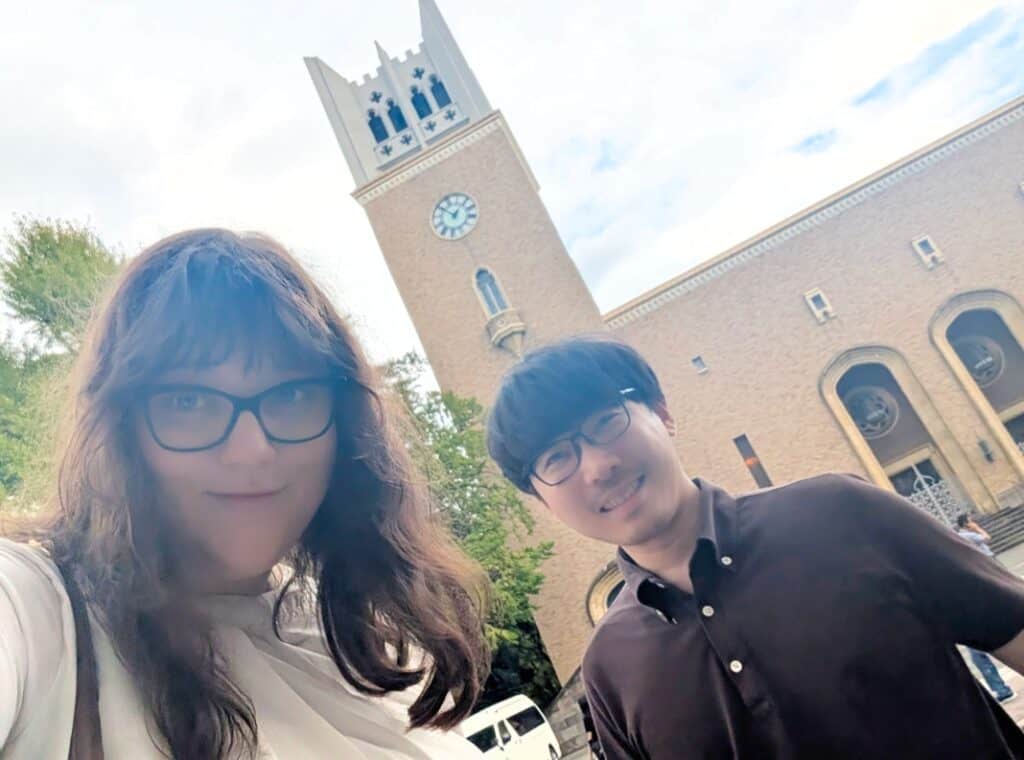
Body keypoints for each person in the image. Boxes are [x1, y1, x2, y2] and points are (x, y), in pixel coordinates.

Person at [0, 230, 488, 759]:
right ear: (121, 429)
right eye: (188, 401)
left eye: (293, 394)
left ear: (344, 426)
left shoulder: (371, 641)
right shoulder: (36, 613)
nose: (252, 450)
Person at [486, 336, 1024, 759]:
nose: (598, 467)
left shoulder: (843, 514)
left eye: (606, 422)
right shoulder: (608, 667)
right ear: (541, 499)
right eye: (557, 459)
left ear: (662, 412)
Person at [956, 512, 1017, 703]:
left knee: (977, 651)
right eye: (970, 521)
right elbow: (986, 538)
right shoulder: (966, 536)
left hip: (968, 602)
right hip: (986, 583)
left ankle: (1001, 689)